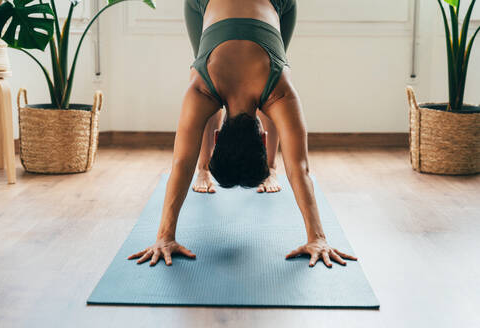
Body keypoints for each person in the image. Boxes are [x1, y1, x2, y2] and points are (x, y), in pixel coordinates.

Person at [128, 0, 358, 268]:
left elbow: (181, 162)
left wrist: (166, 236)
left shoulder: (272, 89)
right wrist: (316, 237)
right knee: (257, 62)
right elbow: (299, 167)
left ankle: (263, 169)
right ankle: (224, 169)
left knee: (258, 62)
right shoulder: (211, 86)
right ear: (216, 138)